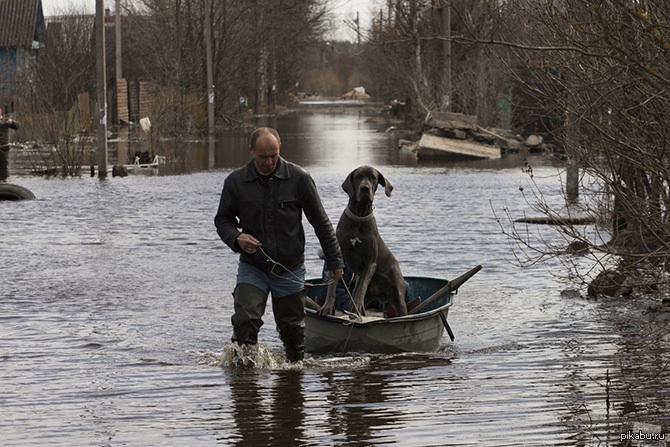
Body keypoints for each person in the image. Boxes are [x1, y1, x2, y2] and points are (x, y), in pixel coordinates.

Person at [215, 127, 344, 362]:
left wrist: (335, 259)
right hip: (252, 267)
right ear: (251, 151)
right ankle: (244, 382)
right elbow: (222, 220)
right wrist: (236, 238)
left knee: (292, 331)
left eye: (273, 155)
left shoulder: (299, 178)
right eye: (262, 157)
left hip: (290, 268)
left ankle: (293, 380)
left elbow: (321, 221)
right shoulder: (236, 181)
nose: (269, 161)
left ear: (280, 148)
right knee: (246, 319)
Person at [0, 110, 18, 182]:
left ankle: (3, 182)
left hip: (4, 147)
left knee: (3, 167)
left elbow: (17, 126)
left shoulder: (5, 121)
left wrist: (11, 122)